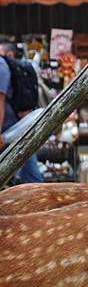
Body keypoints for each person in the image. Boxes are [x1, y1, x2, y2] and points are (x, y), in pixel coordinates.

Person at [0, 42, 44, 184]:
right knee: (27, 166)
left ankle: (41, 201)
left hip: (9, 128)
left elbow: (0, 100)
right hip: (12, 127)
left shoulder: (1, 65)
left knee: (28, 168)